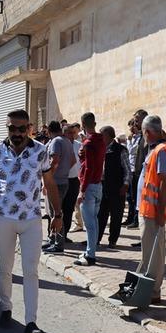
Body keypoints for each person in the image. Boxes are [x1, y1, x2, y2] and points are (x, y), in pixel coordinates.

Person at [0, 109, 63, 333]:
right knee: (5, 268)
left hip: (32, 220)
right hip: (3, 218)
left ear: (29, 128)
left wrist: (58, 214)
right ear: (7, 128)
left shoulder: (39, 151)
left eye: (21, 128)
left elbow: (50, 184)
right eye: (11, 128)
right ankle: (6, 308)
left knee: (31, 271)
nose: (16, 132)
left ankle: (31, 321)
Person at [136, 115, 166, 303]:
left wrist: (161, 212)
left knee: (153, 254)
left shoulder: (161, 150)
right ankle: (148, 287)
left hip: (154, 211)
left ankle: (152, 291)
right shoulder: (157, 149)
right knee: (150, 252)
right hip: (149, 209)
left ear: (147, 132)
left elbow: (165, 181)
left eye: (143, 132)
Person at [74, 113, 106, 266]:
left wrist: (82, 190)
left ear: (83, 124)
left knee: (90, 224)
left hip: (90, 186)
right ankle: (90, 250)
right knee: (94, 221)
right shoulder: (100, 140)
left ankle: (90, 255)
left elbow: (88, 168)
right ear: (95, 122)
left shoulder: (89, 143)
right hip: (98, 185)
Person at [96, 125, 131, 249]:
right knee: (100, 215)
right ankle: (96, 239)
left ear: (109, 136)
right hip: (102, 186)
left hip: (117, 187)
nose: (100, 137)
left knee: (116, 216)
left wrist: (125, 184)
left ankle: (112, 241)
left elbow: (127, 170)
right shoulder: (100, 149)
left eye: (102, 135)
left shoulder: (120, 150)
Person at [43, 120, 75, 253]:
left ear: (49, 131)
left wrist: (48, 178)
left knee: (56, 213)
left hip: (55, 182)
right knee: (54, 212)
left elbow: (54, 161)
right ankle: (53, 240)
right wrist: (65, 170)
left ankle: (58, 244)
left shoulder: (56, 141)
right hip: (63, 180)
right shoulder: (67, 141)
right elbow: (73, 160)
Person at [125, 110, 148, 229]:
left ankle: (138, 221)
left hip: (145, 173)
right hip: (137, 170)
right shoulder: (141, 135)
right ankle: (135, 220)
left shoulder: (146, 135)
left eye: (137, 119)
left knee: (141, 199)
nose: (135, 122)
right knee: (133, 197)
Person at [63, 123, 83, 237]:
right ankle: (55, 235)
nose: (71, 135)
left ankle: (64, 235)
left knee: (69, 208)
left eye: (73, 133)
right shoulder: (58, 144)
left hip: (74, 180)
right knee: (59, 209)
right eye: (69, 133)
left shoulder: (79, 145)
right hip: (61, 181)